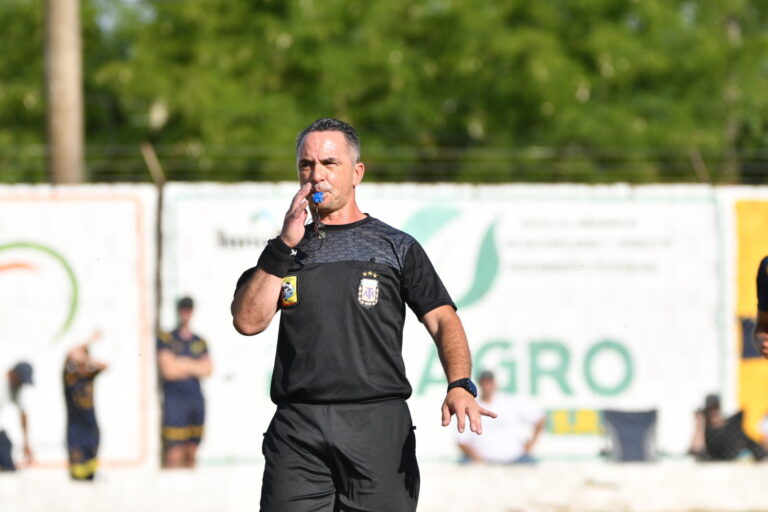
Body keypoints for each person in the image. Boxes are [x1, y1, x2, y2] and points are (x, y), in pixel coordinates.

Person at [231, 118, 496, 511]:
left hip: (377, 425)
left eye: (329, 163)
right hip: (298, 428)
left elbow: (443, 319)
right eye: (306, 165)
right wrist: (284, 244)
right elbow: (247, 321)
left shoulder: (396, 246)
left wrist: (460, 384)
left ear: (357, 173)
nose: (316, 175)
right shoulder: (283, 253)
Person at [157, 296, 212, 468]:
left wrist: (180, 362)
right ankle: (170, 486)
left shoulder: (199, 341)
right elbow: (168, 370)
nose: (185, 313)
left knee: (191, 452)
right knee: (174, 453)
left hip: (195, 400)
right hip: (175, 401)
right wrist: (194, 366)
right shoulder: (167, 338)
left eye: (188, 309)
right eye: (183, 309)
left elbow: (207, 369)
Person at [457, 370, 545, 464]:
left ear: (495, 383)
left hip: (515, 458)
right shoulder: (472, 406)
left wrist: (531, 444)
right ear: (480, 384)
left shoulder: (509, 402)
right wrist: (478, 459)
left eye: (490, 382)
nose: (487, 386)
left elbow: (539, 418)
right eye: (485, 382)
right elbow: (461, 440)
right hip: (484, 461)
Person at [63, 330, 108, 480]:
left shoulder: (89, 377)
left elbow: (105, 366)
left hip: (91, 429)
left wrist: (88, 359)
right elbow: (70, 354)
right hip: (75, 430)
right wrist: (89, 341)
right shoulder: (69, 378)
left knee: (90, 472)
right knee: (77, 473)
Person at [688, 394, 765, 461]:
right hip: (712, 459)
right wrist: (700, 426)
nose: (713, 414)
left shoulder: (731, 425)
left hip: (731, 458)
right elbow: (697, 450)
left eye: (715, 410)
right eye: (711, 411)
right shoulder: (706, 429)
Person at [0, 362, 34, 471]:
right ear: (12, 374)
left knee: (7, 462)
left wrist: (26, 442)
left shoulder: (15, 387)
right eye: (20, 381)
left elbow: (23, 413)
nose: (21, 385)